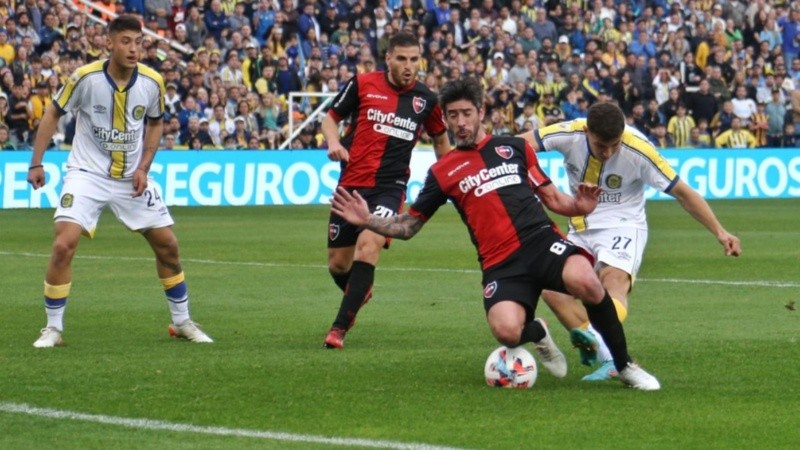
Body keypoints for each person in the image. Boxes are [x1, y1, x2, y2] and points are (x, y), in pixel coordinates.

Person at [330, 77, 660, 390]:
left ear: (481, 112)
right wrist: (369, 220)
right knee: (506, 331)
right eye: (453, 115)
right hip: (500, 263)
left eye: (467, 113)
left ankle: (625, 365)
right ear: (445, 119)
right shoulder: (442, 172)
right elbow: (409, 225)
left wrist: (580, 207)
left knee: (587, 281)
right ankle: (538, 331)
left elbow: (553, 198)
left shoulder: (515, 148)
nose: (460, 122)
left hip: (541, 243)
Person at [517, 102, 741, 381]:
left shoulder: (639, 150)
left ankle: (597, 340)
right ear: (587, 131)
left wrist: (720, 232)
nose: (609, 152)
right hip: (581, 223)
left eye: (615, 144)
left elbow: (683, 192)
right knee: (552, 290)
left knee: (613, 280)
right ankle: (607, 356)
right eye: (601, 145)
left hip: (624, 223)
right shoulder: (569, 133)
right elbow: (515, 146)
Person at [26, 15, 213, 348]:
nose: (133, 48)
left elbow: (155, 124)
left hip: (131, 178)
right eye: (125, 41)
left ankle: (182, 322)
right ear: (109, 43)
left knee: (168, 245)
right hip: (87, 174)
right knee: (62, 245)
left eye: (138, 42)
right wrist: (36, 162)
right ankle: (53, 329)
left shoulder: (153, 81)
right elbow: (53, 113)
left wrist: (143, 166)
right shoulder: (84, 78)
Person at [321, 31, 451, 349]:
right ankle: (359, 292)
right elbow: (329, 118)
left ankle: (338, 329)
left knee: (369, 245)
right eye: (402, 59)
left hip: (389, 189)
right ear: (389, 58)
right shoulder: (363, 84)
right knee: (338, 264)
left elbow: (439, 139)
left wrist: (451, 176)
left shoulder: (426, 100)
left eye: (414, 59)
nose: (409, 66)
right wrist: (335, 142)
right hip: (351, 185)